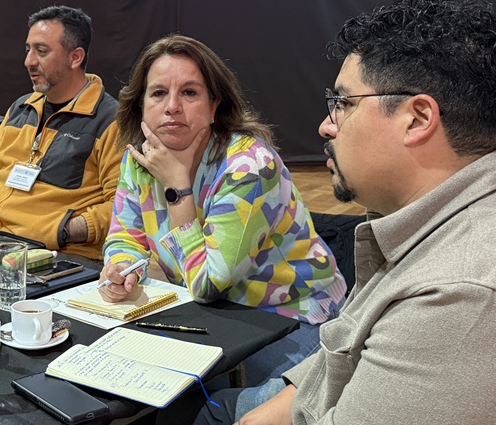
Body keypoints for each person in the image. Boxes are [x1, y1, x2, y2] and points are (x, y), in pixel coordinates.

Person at [109, 0, 496, 425]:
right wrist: (297, 392)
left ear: (418, 118)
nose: (325, 124)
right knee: (201, 422)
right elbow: (357, 338)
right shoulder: (453, 213)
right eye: (158, 94)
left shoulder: (475, 292)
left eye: (342, 103)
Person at [100, 34, 345, 381]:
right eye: (158, 93)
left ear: (214, 106)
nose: (172, 106)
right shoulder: (141, 158)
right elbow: (125, 235)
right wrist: (123, 268)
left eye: (189, 93)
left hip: (292, 318)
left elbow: (207, 285)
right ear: (140, 104)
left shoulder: (248, 167)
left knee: (184, 393)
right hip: (216, 316)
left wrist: (177, 188)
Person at [0, 5, 124, 259]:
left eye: (41, 51)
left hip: (53, 254)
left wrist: (64, 231)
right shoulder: (20, 108)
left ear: (75, 57)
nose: (29, 61)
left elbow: (122, 206)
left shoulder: (110, 121)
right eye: (28, 50)